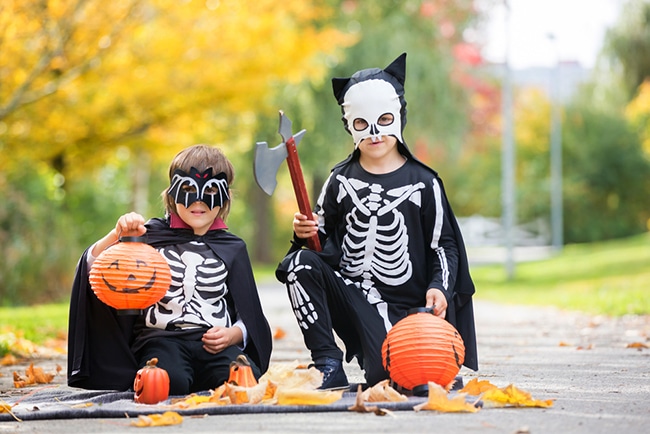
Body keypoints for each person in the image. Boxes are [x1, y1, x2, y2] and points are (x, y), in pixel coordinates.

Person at [276, 53, 478, 391]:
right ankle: (327, 362)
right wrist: (303, 233)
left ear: (399, 117)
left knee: (390, 378)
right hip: (351, 295)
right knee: (299, 265)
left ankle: (413, 358)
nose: (374, 134)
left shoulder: (423, 182)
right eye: (361, 124)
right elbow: (320, 239)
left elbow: (444, 244)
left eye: (383, 120)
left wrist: (439, 287)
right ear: (349, 125)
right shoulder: (340, 180)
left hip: (406, 308)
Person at [68, 145, 272, 395]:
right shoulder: (149, 236)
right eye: (187, 190)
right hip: (161, 339)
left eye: (210, 191)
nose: (198, 201)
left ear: (225, 196)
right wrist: (117, 235)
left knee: (242, 379)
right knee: (168, 381)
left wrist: (234, 334)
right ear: (172, 194)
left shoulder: (232, 247)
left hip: (214, 344)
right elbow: (95, 266)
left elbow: (249, 312)